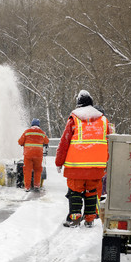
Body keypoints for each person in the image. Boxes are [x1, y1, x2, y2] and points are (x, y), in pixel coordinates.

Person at [55, 90, 114, 227]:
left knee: (75, 191)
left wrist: (59, 162)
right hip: (96, 167)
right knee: (91, 191)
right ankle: (89, 219)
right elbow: (110, 143)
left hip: (76, 166)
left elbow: (65, 141)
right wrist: (107, 162)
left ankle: (75, 218)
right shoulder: (104, 121)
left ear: (78, 104)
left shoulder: (74, 118)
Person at [18, 118, 49, 192]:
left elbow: (20, 142)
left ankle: (27, 187)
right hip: (38, 155)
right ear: (39, 125)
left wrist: (24, 143)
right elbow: (46, 141)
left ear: (31, 124)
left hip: (28, 154)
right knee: (38, 170)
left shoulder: (27, 132)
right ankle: (37, 186)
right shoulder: (42, 133)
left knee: (27, 170)